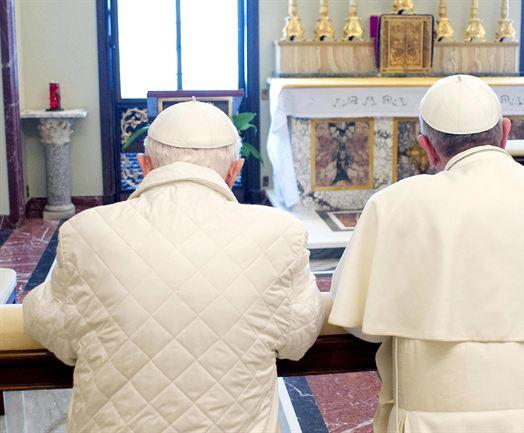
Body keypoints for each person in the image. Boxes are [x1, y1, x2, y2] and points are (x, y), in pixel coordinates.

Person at [328, 75, 524, 433]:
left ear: (427, 146)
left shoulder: (396, 205)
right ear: (505, 132)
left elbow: (358, 320)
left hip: (437, 419)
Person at [23, 100, 324, 433]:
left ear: (144, 165)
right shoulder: (280, 234)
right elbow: (298, 338)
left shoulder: (84, 231)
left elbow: (56, 331)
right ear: (234, 170)